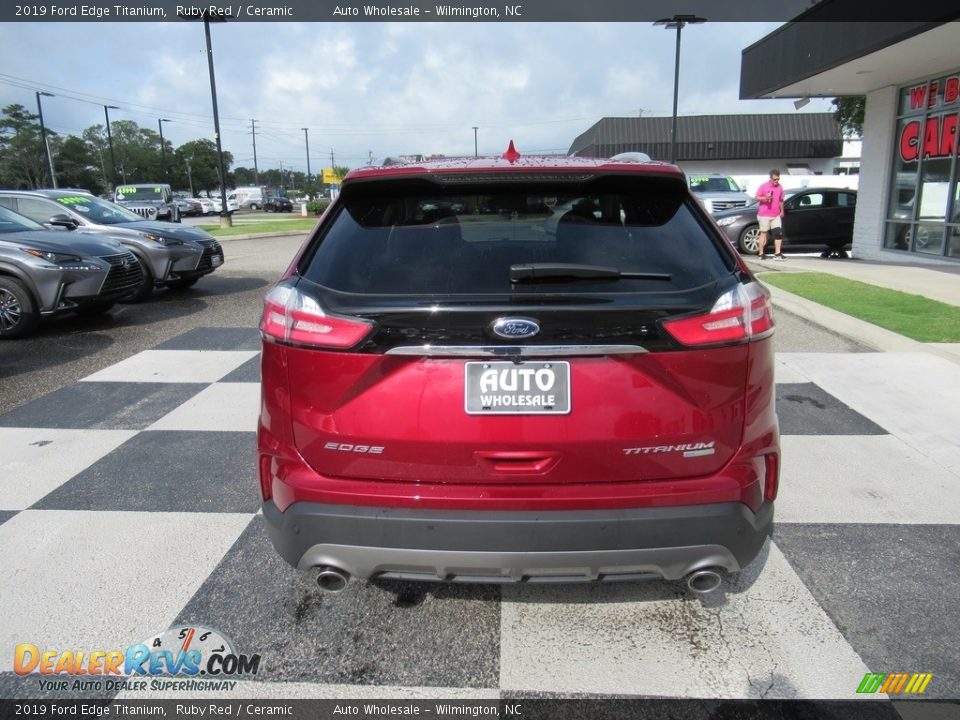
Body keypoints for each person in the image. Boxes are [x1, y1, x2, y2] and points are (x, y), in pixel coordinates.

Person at [755, 169, 786, 260]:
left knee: (778, 233)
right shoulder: (764, 186)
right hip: (764, 214)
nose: (776, 181)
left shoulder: (780, 187)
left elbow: (781, 200)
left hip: (775, 215)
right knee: (763, 233)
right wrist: (765, 198)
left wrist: (782, 211)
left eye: (778, 179)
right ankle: (761, 253)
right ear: (771, 178)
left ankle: (777, 254)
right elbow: (756, 197)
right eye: (775, 179)